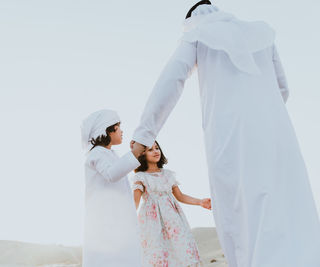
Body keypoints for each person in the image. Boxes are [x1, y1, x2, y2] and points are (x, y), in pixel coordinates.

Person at [131, 1, 320, 266]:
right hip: (278, 134)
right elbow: (283, 89)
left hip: (230, 136)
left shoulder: (196, 35)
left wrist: (144, 134)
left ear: (191, 21)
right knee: (286, 209)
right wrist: (265, 121)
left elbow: (171, 81)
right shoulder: (262, 32)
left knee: (241, 217)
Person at [81, 109, 144, 267]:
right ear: (108, 130)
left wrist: (133, 153)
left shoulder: (111, 154)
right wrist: (135, 152)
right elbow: (112, 173)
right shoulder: (96, 154)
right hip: (106, 224)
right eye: (118, 127)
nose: (122, 131)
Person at [131, 141, 211, 267]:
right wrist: (126, 221)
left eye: (157, 148)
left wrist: (200, 202)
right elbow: (134, 202)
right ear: (142, 154)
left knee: (181, 248)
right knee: (158, 253)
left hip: (174, 221)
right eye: (150, 150)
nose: (156, 151)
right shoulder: (140, 177)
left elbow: (180, 196)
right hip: (152, 223)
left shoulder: (167, 174)